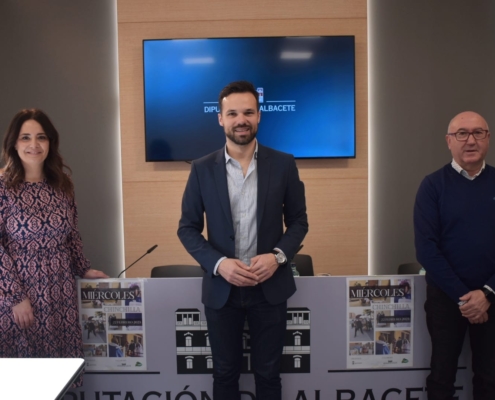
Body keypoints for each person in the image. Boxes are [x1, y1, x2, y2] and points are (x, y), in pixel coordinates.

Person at [178, 81, 308, 400]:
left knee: (268, 375)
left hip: (270, 289)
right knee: (224, 374)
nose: (241, 119)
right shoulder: (201, 169)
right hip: (223, 291)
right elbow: (187, 228)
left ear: (259, 116)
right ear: (220, 118)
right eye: (232, 113)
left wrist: (277, 256)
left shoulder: (283, 164)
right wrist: (219, 264)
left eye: (248, 112)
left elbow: (299, 222)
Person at [0, 109, 108, 386]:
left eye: (41, 137)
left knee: (56, 379)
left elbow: (72, 235)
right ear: (14, 143)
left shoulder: (62, 184)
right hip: (19, 295)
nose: (33, 144)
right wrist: (15, 297)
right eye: (25, 137)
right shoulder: (2, 186)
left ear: (50, 143)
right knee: (23, 380)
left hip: (59, 291)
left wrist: (84, 268)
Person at [414, 111, 495, 399]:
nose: (470, 140)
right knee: (441, 377)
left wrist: (486, 294)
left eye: (478, 133)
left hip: (493, 299)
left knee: (490, 379)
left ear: (488, 138)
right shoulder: (432, 186)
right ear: (449, 141)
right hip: (446, 301)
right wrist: (465, 297)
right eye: (462, 133)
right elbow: (426, 249)